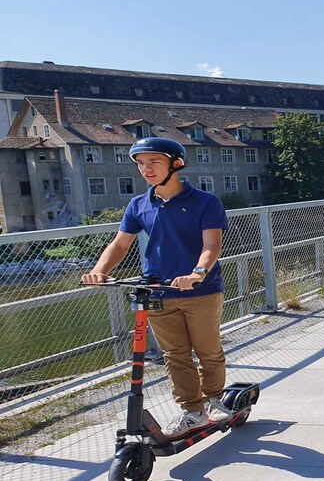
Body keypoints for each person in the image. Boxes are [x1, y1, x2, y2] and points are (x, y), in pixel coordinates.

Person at [81, 137, 230, 440]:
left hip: (200, 290)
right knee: (175, 355)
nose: (145, 169)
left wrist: (197, 273)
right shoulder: (139, 204)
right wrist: (100, 270)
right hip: (159, 291)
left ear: (176, 164)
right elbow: (120, 244)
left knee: (207, 349)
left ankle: (215, 400)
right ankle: (193, 411)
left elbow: (211, 244)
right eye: (140, 163)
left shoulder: (205, 202)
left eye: (153, 162)